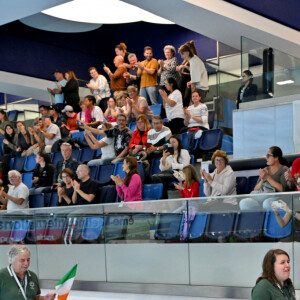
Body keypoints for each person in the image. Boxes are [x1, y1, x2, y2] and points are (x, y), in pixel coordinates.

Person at [239, 146, 290, 211]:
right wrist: (262, 180)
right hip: (262, 197)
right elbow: (255, 189)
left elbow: (282, 190)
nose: (266, 158)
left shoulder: (283, 169)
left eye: (268, 156)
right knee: (244, 203)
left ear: (276, 158)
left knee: (267, 203)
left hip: (278, 199)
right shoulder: (265, 169)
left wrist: (268, 177)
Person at [152, 135, 190, 199]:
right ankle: (161, 200)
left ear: (178, 142)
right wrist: (164, 157)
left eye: (173, 142)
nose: (172, 144)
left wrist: (172, 165)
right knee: (155, 177)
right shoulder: (168, 154)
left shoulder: (184, 152)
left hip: (179, 174)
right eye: (170, 143)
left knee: (158, 178)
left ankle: (163, 201)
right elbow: (162, 169)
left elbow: (186, 166)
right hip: (168, 173)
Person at [177, 40, 197, 107]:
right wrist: (180, 71)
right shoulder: (185, 60)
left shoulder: (194, 59)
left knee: (186, 98)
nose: (182, 56)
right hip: (183, 81)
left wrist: (184, 66)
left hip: (188, 81)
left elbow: (194, 72)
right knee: (181, 98)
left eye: (183, 53)